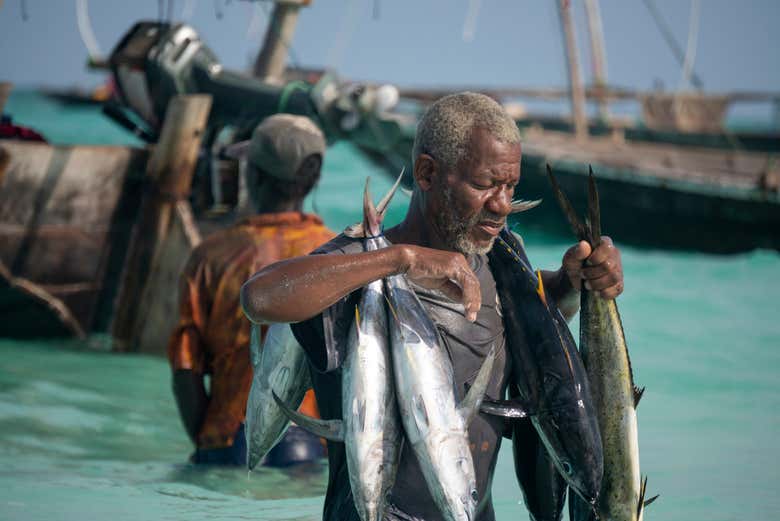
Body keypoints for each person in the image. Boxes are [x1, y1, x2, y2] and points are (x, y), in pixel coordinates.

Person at [241, 93, 624, 519]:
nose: (501, 205)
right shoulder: (358, 265)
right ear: (426, 173)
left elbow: (539, 338)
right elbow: (260, 297)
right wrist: (400, 260)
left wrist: (577, 282)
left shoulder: (500, 264)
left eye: (510, 186)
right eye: (483, 185)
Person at [167, 114, 335, 466]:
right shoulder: (338, 255)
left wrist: (206, 443)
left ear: (253, 175)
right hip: (307, 443)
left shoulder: (211, 256)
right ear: (313, 180)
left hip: (227, 436)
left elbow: (186, 365)